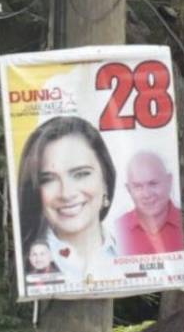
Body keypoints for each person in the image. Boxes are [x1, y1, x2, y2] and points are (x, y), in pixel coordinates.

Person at [17, 116, 119, 286]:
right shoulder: (24, 267)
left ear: (106, 182)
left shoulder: (134, 256)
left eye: (81, 174)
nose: (66, 193)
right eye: (48, 179)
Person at [117, 151, 184, 255]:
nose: (147, 194)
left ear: (169, 181)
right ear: (129, 189)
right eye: (138, 186)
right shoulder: (116, 230)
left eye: (153, 183)